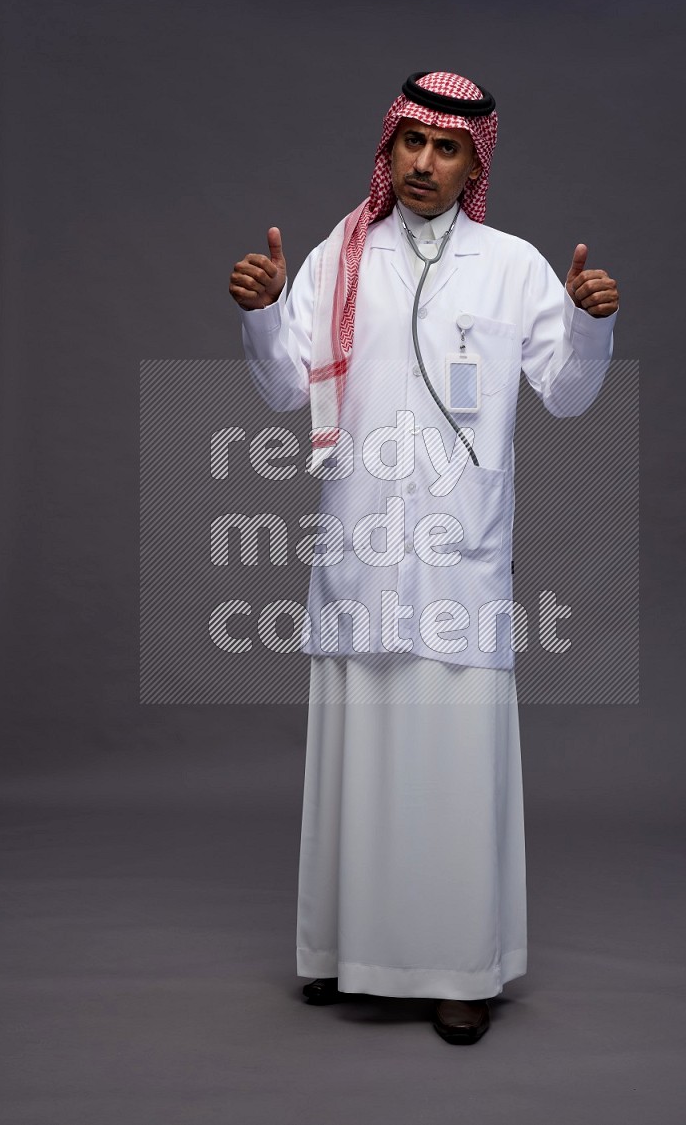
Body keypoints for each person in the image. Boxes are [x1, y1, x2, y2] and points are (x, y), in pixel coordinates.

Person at [229, 71, 619, 1044]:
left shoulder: (510, 267)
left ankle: (458, 971)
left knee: (450, 773)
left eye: (447, 149)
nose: (424, 163)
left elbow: (566, 394)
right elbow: (283, 388)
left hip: (458, 564)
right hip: (361, 553)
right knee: (358, 763)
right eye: (411, 143)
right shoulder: (340, 255)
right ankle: (339, 955)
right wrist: (263, 311)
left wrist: (588, 322)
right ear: (388, 149)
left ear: (474, 162)